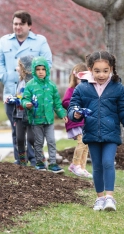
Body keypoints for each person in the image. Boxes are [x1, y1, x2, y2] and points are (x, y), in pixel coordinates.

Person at [67, 51, 124, 211]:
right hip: (92, 132)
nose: (101, 75)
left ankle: (110, 198)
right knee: (96, 166)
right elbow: (73, 106)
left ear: (111, 69)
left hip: (111, 133)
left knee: (108, 162)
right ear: (89, 69)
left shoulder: (117, 88)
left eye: (105, 70)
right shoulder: (82, 88)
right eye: (97, 71)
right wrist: (75, 113)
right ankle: (100, 198)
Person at [0, 10, 52, 165]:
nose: (17, 27)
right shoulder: (4, 41)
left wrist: (34, 78)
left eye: (21, 24)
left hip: (34, 94)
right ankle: (20, 161)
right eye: (15, 24)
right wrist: (5, 76)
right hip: (11, 93)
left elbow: (48, 64)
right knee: (17, 130)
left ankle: (35, 159)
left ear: (29, 25)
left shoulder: (40, 41)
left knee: (34, 129)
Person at [21, 56, 67, 174]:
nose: (41, 72)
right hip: (36, 119)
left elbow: (57, 102)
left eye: (43, 69)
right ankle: (39, 162)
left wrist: (62, 113)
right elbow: (24, 99)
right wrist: (27, 104)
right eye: (38, 69)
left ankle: (52, 164)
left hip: (49, 120)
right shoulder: (30, 85)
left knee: (51, 141)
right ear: (34, 71)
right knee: (38, 142)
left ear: (47, 70)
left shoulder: (51, 85)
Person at [62, 63, 92, 178]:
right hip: (75, 121)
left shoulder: (88, 91)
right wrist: (76, 107)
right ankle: (75, 164)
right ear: (75, 77)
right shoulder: (72, 90)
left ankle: (82, 167)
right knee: (81, 142)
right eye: (80, 78)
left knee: (86, 144)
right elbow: (65, 102)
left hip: (84, 122)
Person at [12, 55, 35, 166]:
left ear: (26, 68)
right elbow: (19, 95)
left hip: (29, 115)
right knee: (20, 139)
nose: (17, 68)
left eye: (19, 66)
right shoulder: (19, 81)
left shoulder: (32, 83)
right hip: (19, 114)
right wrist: (13, 99)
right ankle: (22, 162)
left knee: (31, 139)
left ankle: (40, 161)